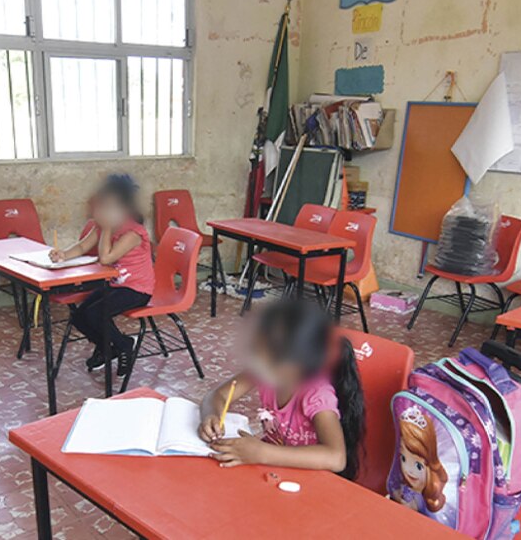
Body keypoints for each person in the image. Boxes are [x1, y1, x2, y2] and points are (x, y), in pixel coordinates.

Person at [196, 299, 366, 476]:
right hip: (272, 470)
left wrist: (261, 453)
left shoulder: (317, 394)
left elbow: (336, 458)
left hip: (309, 478)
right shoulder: (265, 371)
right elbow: (217, 396)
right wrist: (211, 415)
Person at [50, 174, 154, 376]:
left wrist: (106, 228)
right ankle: (109, 348)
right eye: (104, 206)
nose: (105, 211)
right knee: (79, 317)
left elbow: (106, 258)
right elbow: (81, 247)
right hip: (114, 285)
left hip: (136, 289)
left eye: (111, 207)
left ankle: (124, 344)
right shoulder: (101, 227)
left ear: (125, 209)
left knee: (97, 314)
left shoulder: (133, 233)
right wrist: (63, 255)